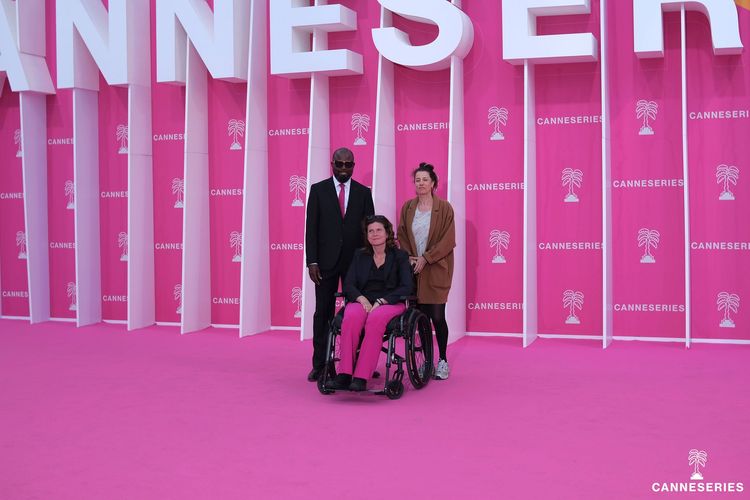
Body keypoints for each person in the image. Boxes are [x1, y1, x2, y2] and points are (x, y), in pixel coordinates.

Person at [305, 148, 375, 381]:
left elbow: (370, 231)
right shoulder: (318, 190)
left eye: (348, 164)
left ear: (354, 166)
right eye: (339, 164)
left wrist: (370, 262)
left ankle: (359, 362)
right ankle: (320, 364)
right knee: (323, 312)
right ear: (332, 164)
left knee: (358, 312)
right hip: (324, 263)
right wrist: (312, 261)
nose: (343, 168)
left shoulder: (364, 193)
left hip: (356, 264)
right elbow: (311, 229)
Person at [326, 215, 413, 392]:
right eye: (370, 231)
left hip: (390, 302)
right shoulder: (360, 255)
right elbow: (349, 284)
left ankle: (361, 377)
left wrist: (382, 301)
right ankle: (344, 374)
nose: (374, 234)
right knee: (351, 317)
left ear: (387, 233)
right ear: (366, 235)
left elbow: (406, 286)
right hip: (363, 300)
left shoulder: (400, 256)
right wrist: (361, 299)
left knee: (375, 319)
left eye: (379, 230)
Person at [397, 163, 456, 380]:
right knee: (420, 318)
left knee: (437, 316)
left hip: (436, 268)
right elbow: (402, 235)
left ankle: (443, 360)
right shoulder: (408, 207)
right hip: (414, 271)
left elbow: (448, 241)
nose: (421, 183)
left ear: (433, 183)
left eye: (425, 180)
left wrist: (426, 258)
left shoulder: (445, 208)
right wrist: (409, 257)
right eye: (417, 180)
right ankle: (427, 360)